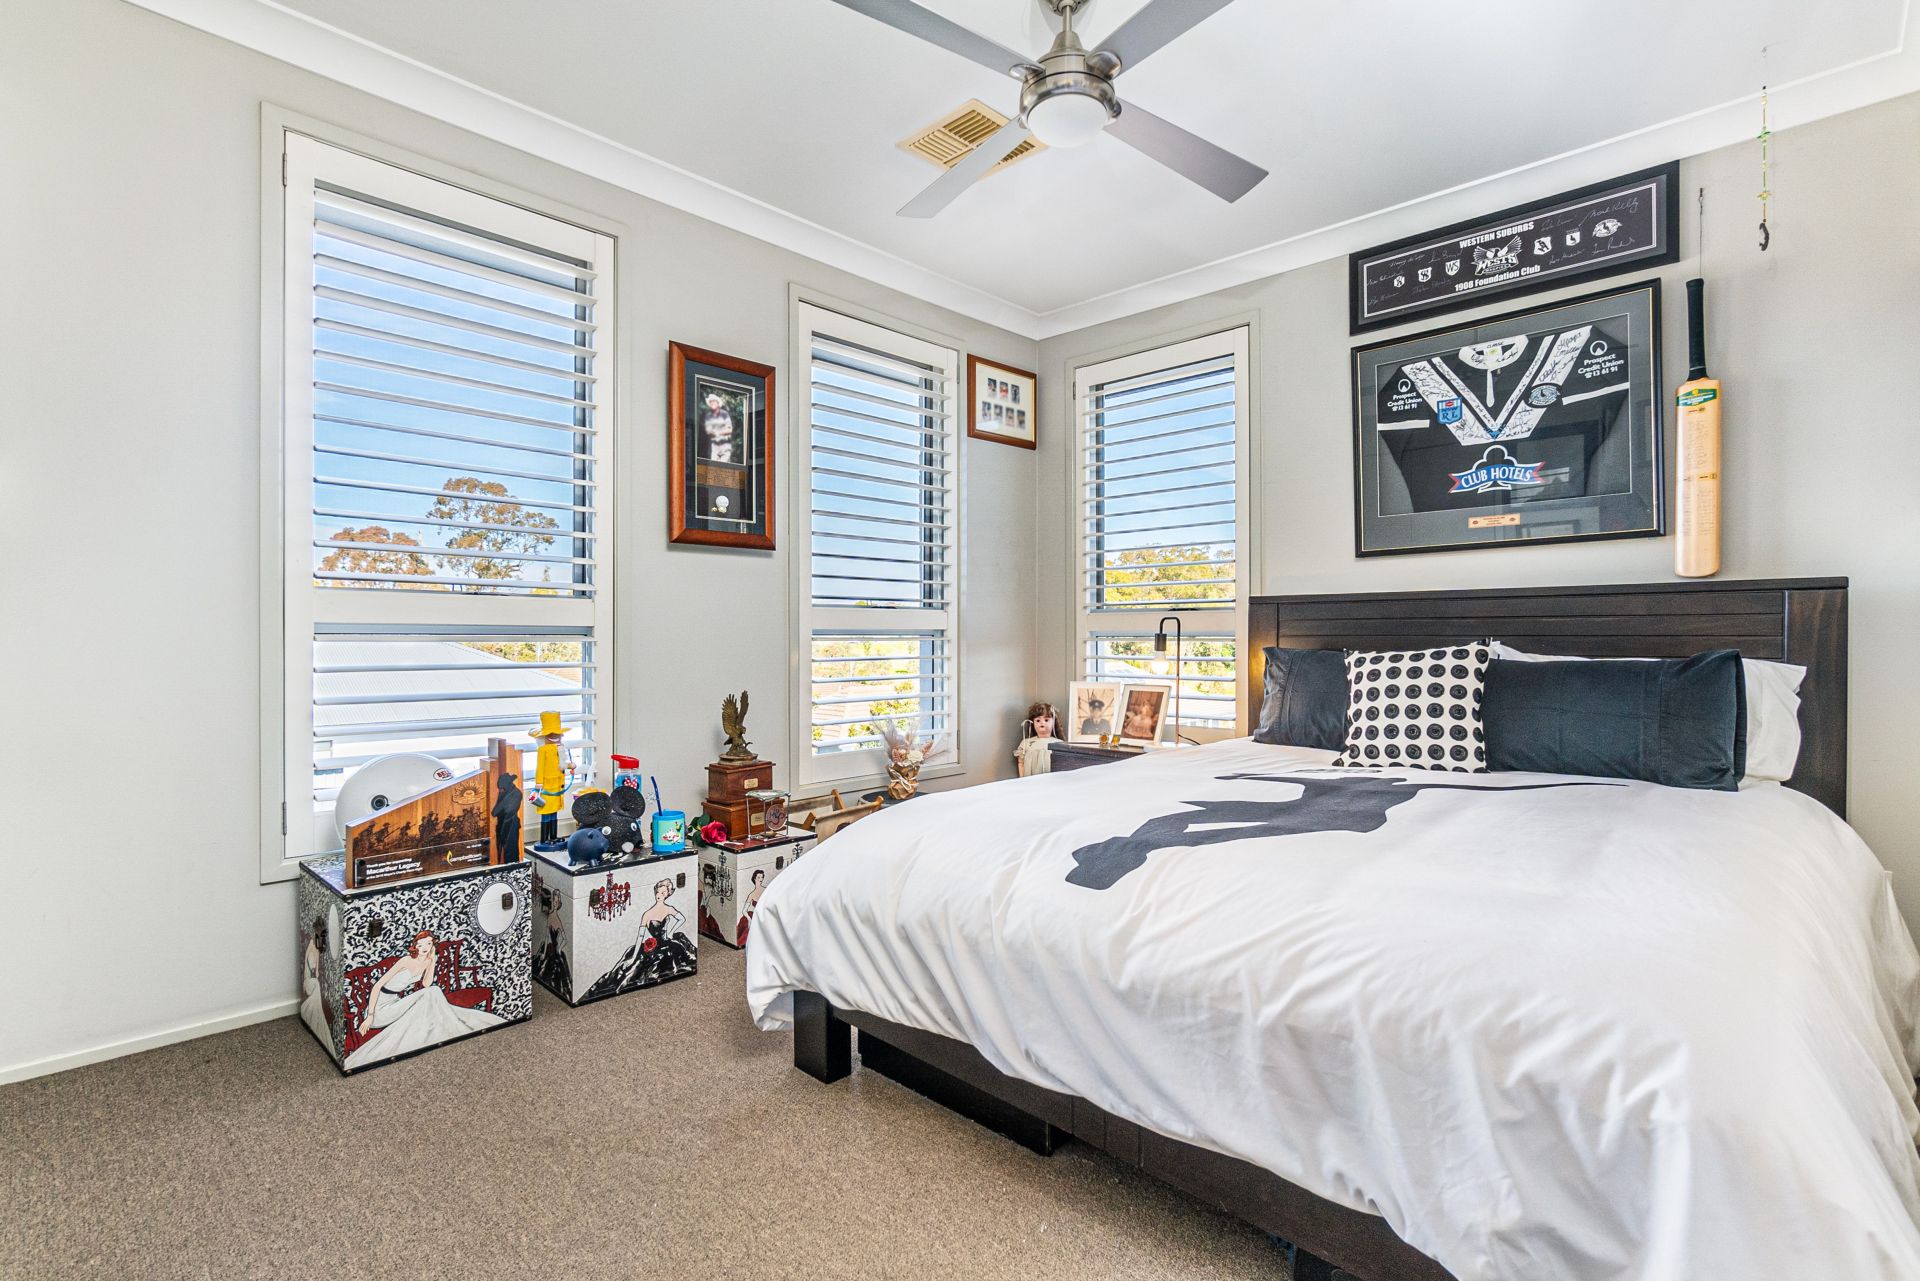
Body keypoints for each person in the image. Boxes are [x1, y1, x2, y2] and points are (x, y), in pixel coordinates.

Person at [342, 931, 503, 1070]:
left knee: (431, 992)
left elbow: (426, 983)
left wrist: (432, 961)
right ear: (415, 946)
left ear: (432, 945)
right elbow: (377, 986)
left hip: (395, 1003)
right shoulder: (406, 960)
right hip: (380, 1010)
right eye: (420, 944)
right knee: (433, 992)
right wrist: (370, 1016)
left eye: (428, 944)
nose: (424, 947)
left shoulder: (427, 961)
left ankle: (444, 1029)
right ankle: (450, 1026)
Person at [528, 712, 572, 849]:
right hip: (547, 786)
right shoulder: (543, 750)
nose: (555, 736)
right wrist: (538, 784)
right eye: (551, 734)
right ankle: (544, 839)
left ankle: (553, 836)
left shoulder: (560, 749)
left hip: (558, 786)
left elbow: (561, 765)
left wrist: (570, 766)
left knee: (554, 812)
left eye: (557, 734)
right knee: (546, 812)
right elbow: (540, 767)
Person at [299, 915, 329, 1043]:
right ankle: (313, 1018)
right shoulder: (315, 947)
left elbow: (308, 969)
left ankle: (310, 1018)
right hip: (311, 983)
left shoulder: (311, 944)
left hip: (307, 982)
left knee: (316, 985)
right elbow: (315, 974)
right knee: (317, 984)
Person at [1015, 701, 1063, 777]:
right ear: (1033, 723)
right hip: (1030, 781)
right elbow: (1021, 763)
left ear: (1053, 722)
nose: (1042, 723)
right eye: (1038, 720)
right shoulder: (1026, 743)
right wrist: (1022, 779)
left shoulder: (1059, 744)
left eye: (1046, 720)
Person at [702, 391, 737, 462]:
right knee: (714, 467)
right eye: (710, 402)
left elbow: (729, 430)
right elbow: (708, 431)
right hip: (714, 446)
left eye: (714, 401)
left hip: (725, 446)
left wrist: (717, 432)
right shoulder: (708, 416)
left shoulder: (724, 414)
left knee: (724, 466)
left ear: (718, 403)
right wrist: (722, 431)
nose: (712, 403)